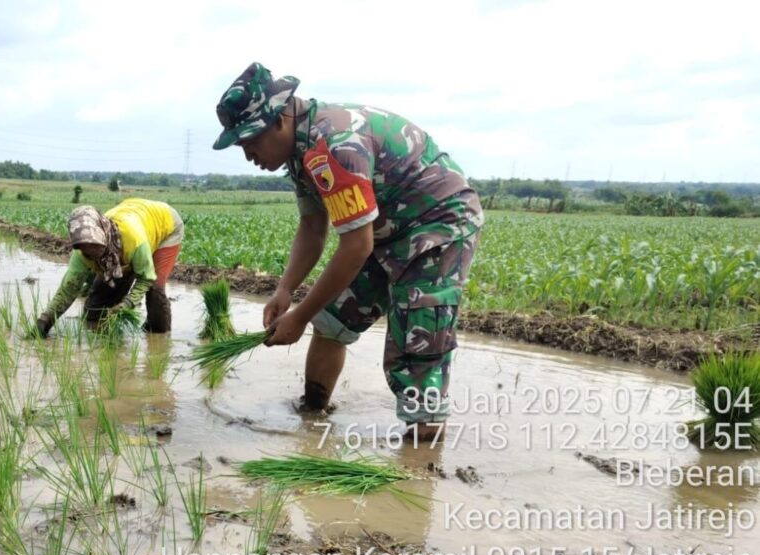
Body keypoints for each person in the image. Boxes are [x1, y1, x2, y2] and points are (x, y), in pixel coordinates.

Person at [212, 62, 484, 440]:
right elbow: (312, 226)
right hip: (382, 228)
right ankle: (312, 423)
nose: (249, 156)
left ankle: (422, 461)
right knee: (332, 321)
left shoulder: (336, 145)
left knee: (417, 347)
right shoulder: (300, 151)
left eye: (250, 141)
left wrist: (299, 316)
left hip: (436, 224)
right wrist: (286, 290)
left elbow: (356, 246)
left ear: (279, 120)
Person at [33, 199, 183, 337]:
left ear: (103, 234)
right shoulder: (80, 255)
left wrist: (127, 304)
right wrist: (45, 321)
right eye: (86, 249)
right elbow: (68, 289)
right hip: (134, 221)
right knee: (96, 308)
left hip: (166, 225)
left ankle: (158, 337)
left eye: (95, 245)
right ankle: (102, 334)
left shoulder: (133, 240)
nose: (92, 253)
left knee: (155, 290)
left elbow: (147, 276)